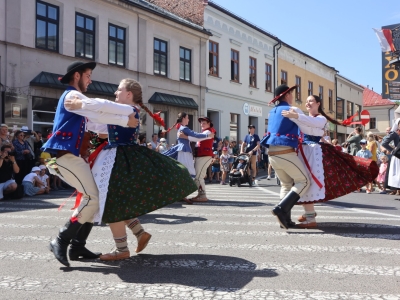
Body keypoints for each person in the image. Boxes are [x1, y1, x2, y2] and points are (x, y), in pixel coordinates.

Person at [66, 78, 198, 261]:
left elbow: (102, 107)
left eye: (119, 90)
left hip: (120, 158)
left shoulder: (129, 109)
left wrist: (81, 104)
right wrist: (80, 116)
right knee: (115, 200)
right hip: (117, 156)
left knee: (110, 201)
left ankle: (122, 248)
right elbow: (100, 124)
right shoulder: (122, 113)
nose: (115, 93)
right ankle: (138, 233)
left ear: (129, 94)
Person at [41, 61, 139, 267]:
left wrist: (125, 120)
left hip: (72, 157)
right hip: (64, 156)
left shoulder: (79, 104)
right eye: (88, 75)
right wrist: (127, 112)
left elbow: (97, 119)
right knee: (93, 198)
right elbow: (98, 106)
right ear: (76, 76)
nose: (90, 80)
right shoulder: (71, 96)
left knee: (94, 199)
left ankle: (77, 247)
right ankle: (60, 239)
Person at [281, 95, 378, 227]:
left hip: (313, 153)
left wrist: (296, 116)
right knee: (303, 182)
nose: (308, 103)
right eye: (307, 101)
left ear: (318, 104)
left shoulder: (320, 118)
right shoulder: (305, 117)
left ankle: (310, 219)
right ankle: (309, 214)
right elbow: (307, 125)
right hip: (304, 151)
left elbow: (311, 125)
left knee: (307, 182)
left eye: (311, 101)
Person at [260, 84, 311, 229]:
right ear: (287, 95)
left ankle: (285, 221)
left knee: (286, 184)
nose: (293, 96)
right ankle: (281, 209)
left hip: (272, 154)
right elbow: (306, 126)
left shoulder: (273, 111)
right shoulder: (291, 109)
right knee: (304, 181)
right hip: (285, 152)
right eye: (291, 94)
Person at [163, 112, 213, 178]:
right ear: (183, 118)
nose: (188, 120)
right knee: (188, 170)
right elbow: (195, 135)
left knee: (185, 169)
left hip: (182, 149)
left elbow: (194, 136)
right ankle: (187, 185)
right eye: (187, 118)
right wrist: (207, 135)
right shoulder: (184, 128)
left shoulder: (181, 128)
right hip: (185, 150)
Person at [190, 116, 216, 202]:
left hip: (204, 156)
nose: (202, 124)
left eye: (204, 122)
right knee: (198, 176)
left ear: (209, 123)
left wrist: (185, 136)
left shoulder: (208, 131)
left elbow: (197, 138)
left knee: (198, 177)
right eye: (201, 122)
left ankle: (202, 195)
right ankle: (200, 194)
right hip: (201, 156)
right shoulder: (206, 131)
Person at [381, 118, 400, 196]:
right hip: (397, 155)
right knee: (397, 173)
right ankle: (396, 189)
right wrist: (393, 150)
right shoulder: (395, 133)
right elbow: (384, 143)